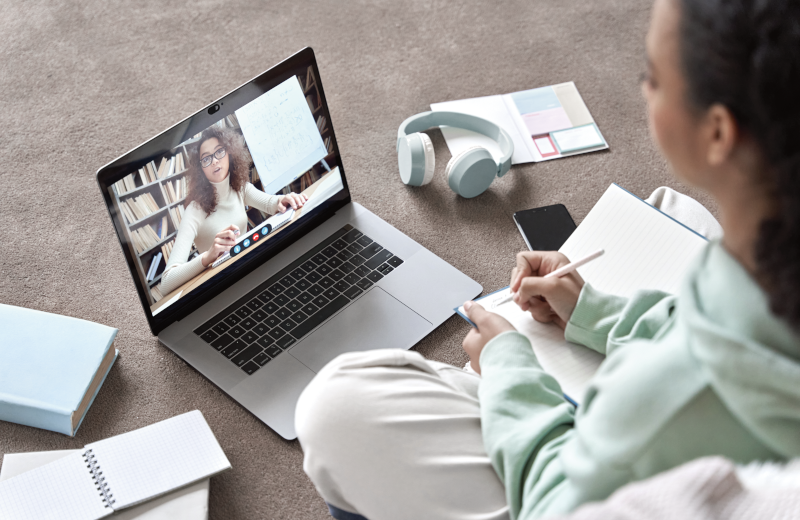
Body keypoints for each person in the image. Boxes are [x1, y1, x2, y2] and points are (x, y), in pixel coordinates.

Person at [293, 0, 800, 519]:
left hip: (589, 484)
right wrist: (595, 312)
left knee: (336, 409)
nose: (644, 89)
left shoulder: (663, 403)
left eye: (654, 76)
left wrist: (507, 364)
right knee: (675, 212)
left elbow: (558, 507)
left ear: (717, 133)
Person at [160, 126, 307, 295]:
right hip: (223, 286)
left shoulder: (239, 188)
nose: (214, 161)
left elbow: (271, 203)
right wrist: (208, 256)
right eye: (206, 159)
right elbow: (166, 282)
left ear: (229, 153)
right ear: (201, 169)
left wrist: (282, 199)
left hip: (253, 268)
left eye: (219, 151)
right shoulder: (194, 210)